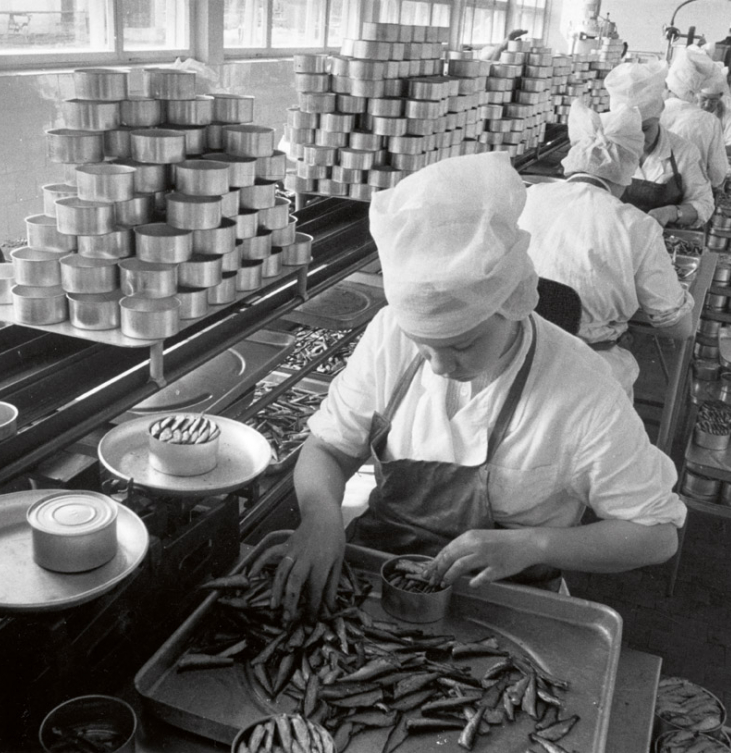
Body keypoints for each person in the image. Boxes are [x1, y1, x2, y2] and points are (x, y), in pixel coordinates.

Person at [261, 152, 687, 622]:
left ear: (512, 303)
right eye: (424, 347)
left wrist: (533, 543)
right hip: (377, 575)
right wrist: (321, 516)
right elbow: (328, 449)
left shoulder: (582, 389)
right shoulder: (389, 335)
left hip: (505, 600)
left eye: (462, 345)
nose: (440, 367)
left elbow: (656, 533)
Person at [520, 101, 695, 398]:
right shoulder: (636, 226)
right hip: (589, 378)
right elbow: (677, 327)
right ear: (628, 166)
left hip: (517, 363)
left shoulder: (527, 197)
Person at [604, 62, 714, 227]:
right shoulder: (607, 147)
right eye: (629, 130)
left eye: (645, 129)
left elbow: (704, 205)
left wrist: (672, 212)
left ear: (658, 118)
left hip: (660, 243)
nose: (638, 138)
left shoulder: (684, 152)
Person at [661, 46, 731, 187]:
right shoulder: (708, 121)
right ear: (696, 92)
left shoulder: (654, 112)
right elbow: (717, 174)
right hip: (689, 194)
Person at [698, 81, 731, 160]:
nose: (707, 104)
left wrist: (708, 152)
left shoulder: (730, 115)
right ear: (697, 94)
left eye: (713, 100)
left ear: (720, 96)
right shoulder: (686, 111)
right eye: (703, 99)